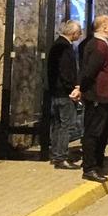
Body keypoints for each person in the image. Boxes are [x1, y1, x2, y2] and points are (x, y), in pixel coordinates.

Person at [77, 15, 108, 182]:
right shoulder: (98, 46)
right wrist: (79, 87)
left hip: (104, 96)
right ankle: (90, 167)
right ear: (104, 27)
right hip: (97, 96)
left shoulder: (102, 44)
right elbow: (89, 71)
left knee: (102, 132)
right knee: (94, 132)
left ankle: (98, 162)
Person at [47, 20, 83, 170]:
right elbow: (65, 71)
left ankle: (56, 154)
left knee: (58, 125)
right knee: (66, 125)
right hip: (64, 93)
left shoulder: (57, 44)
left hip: (56, 92)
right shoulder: (64, 47)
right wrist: (73, 88)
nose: (80, 35)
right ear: (73, 33)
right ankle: (61, 157)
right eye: (79, 32)